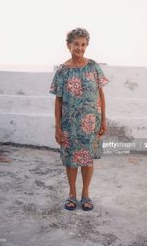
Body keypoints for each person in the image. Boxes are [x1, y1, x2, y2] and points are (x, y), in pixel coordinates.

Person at [49, 27, 109, 211]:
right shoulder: (62, 71)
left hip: (91, 123)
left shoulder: (94, 67)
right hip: (70, 125)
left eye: (83, 45)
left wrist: (104, 119)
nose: (80, 48)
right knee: (71, 160)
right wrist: (58, 127)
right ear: (69, 46)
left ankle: (85, 194)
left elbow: (101, 95)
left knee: (87, 159)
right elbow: (58, 101)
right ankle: (72, 194)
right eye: (76, 44)